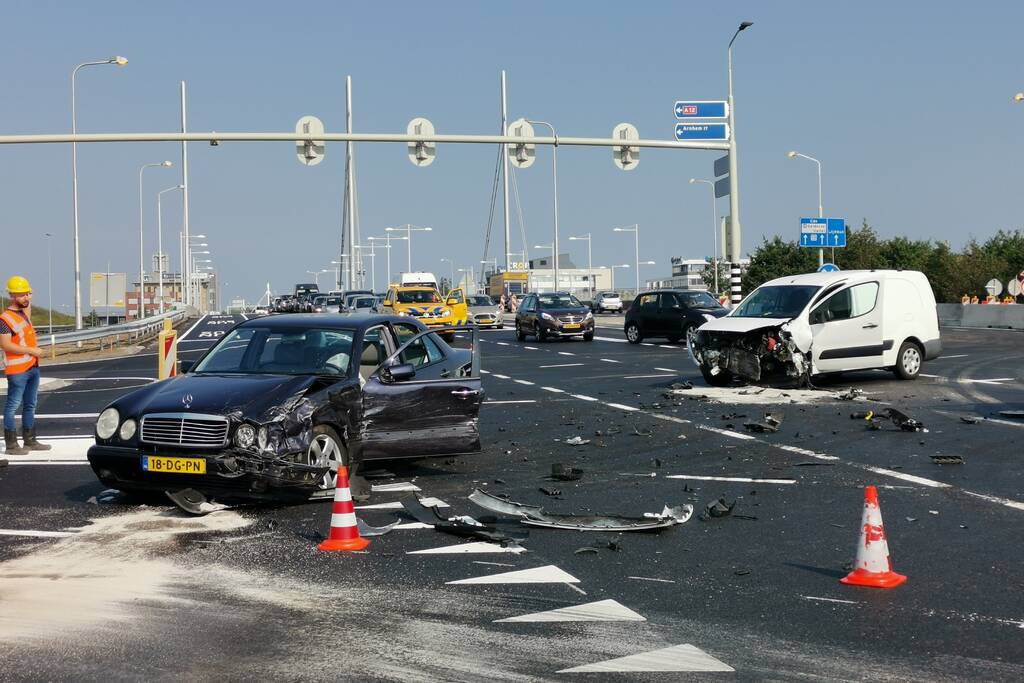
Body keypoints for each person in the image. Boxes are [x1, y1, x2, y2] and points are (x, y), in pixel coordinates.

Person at [2, 276, 50, 456]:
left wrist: (29, 297)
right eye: (21, 295)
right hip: (17, 371)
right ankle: (11, 445)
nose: (26, 298)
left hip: (32, 367)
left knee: (30, 405)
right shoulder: (5, 319)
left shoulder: (23, 314)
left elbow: (27, 307)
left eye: (27, 294)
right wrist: (31, 350)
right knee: (13, 405)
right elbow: (6, 345)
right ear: (12, 296)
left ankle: (30, 440)